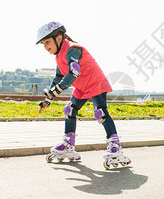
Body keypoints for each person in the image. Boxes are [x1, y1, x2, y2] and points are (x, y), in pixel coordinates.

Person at [36, 21, 131, 168]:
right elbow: (58, 77)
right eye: (43, 43)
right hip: (81, 86)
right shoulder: (59, 56)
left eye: (47, 42)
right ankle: (68, 145)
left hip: (95, 82)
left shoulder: (72, 50)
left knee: (100, 113)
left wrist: (57, 90)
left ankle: (115, 146)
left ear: (59, 38)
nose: (45, 47)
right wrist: (48, 99)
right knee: (70, 110)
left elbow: (74, 72)